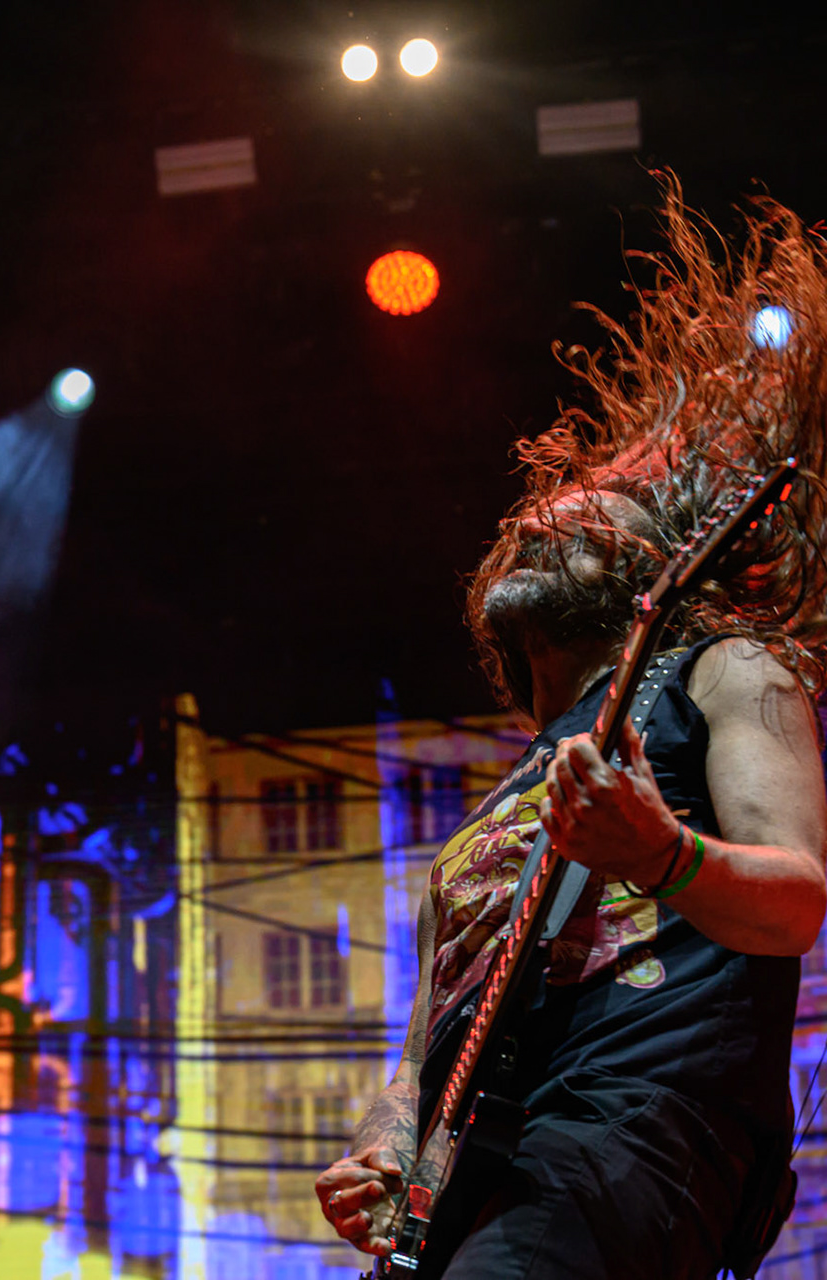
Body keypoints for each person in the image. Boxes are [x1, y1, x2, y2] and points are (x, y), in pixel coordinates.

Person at [314, 181, 827, 1278]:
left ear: (652, 576)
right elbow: (422, 1050)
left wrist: (663, 851)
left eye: (587, 517)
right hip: (475, 1182)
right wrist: (382, 1144)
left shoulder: (721, 670)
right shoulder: (481, 829)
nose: (543, 519)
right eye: (530, 522)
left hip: (632, 1130)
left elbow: (794, 901)